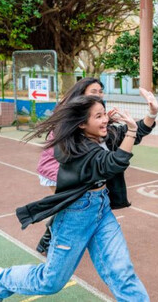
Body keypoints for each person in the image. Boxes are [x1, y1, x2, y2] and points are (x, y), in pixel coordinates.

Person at [0, 88, 158, 302]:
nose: (106, 119)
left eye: (105, 113)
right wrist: (131, 131)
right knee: (51, 282)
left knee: (122, 273)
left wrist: (151, 113)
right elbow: (112, 164)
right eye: (99, 116)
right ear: (81, 124)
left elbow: (138, 132)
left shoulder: (103, 134)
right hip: (75, 215)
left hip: (101, 209)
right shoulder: (76, 149)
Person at [35, 77, 105, 255]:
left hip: (67, 168)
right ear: (82, 93)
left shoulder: (88, 111)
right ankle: (52, 242)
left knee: (68, 206)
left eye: (100, 91)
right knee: (70, 207)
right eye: (93, 92)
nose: (99, 95)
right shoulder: (74, 114)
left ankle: (48, 240)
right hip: (55, 169)